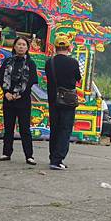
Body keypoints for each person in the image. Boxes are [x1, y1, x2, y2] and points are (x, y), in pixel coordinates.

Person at [0, 37, 38, 164]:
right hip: (8, 99)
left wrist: (19, 94)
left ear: (27, 48)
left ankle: (29, 156)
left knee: (25, 129)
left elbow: (31, 81)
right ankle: (6, 153)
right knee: (8, 127)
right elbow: (1, 78)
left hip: (23, 100)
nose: (21, 47)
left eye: (23, 45)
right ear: (14, 46)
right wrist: (6, 93)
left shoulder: (30, 63)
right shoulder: (8, 61)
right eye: (18, 44)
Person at [45, 34, 82, 170]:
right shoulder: (73, 62)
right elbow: (78, 78)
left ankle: (52, 156)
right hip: (67, 101)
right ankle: (58, 159)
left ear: (55, 48)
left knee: (54, 129)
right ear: (68, 47)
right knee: (65, 129)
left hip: (53, 100)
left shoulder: (50, 62)